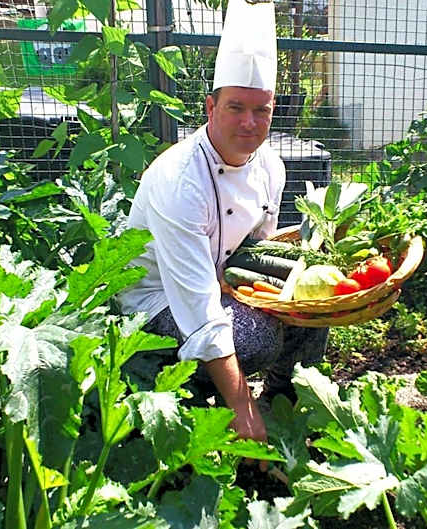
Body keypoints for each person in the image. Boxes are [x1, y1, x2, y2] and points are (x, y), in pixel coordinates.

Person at [117, 0, 328, 445]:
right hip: (155, 300)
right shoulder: (180, 181)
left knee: (312, 308)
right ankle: (188, 404)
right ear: (211, 106)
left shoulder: (271, 166)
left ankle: (282, 405)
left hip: (219, 283)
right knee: (255, 339)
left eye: (262, 109)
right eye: (236, 107)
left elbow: (259, 249)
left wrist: (306, 289)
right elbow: (198, 307)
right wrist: (241, 407)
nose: (249, 123)